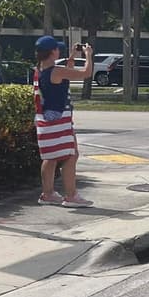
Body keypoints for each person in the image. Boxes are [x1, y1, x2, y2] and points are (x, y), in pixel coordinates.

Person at [33, 35, 94, 207]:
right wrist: (88, 55)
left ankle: (48, 194)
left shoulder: (39, 69)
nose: (59, 51)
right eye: (57, 49)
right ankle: (71, 196)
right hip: (59, 121)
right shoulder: (56, 71)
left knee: (50, 157)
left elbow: (64, 76)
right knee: (70, 155)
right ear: (53, 52)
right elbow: (86, 73)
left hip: (45, 120)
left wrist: (73, 57)